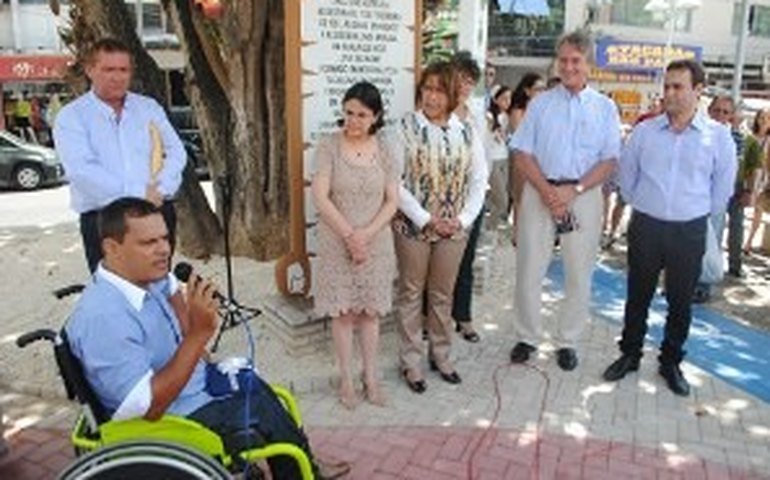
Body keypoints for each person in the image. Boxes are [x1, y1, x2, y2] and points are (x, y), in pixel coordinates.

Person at [65, 197, 349, 479]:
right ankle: (299, 469)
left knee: (257, 387)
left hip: (192, 387)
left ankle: (298, 465)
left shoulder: (141, 276)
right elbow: (149, 407)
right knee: (265, 413)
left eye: (165, 238)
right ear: (111, 248)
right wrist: (197, 336)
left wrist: (188, 324)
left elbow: (172, 285)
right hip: (169, 421)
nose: (164, 249)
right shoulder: (104, 318)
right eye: (149, 243)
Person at [602, 60, 737, 397]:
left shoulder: (718, 137)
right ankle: (630, 354)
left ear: (698, 90)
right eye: (667, 86)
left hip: (689, 231)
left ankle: (671, 361)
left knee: (680, 302)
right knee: (638, 296)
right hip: (646, 225)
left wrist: (693, 212)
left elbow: (722, 191)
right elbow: (627, 178)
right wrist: (647, 205)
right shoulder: (645, 132)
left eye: (678, 86)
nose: (670, 93)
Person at [507, 31, 621, 371]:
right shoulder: (541, 104)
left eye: (576, 60)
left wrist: (574, 191)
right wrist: (547, 192)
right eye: (564, 60)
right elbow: (522, 153)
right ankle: (527, 336)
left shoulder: (605, 108)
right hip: (539, 190)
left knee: (579, 271)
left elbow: (609, 160)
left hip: (583, 196)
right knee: (530, 266)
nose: (569, 67)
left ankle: (568, 340)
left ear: (589, 65)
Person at [393, 61, 487, 394]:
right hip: (414, 227)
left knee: (442, 295)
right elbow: (396, 182)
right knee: (410, 292)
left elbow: (479, 181)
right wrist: (425, 218)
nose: (431, 96)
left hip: (454, 229)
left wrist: (461, 220)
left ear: (451, 95)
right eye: (427, 89)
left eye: (438, 90)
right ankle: (411, 362)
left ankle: (442, 355)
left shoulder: (466, 131)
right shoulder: (404, 127)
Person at [53, 38, 186, 274]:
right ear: (90, 70)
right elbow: (82, 171)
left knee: (157, 283)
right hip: (104, 218)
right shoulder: (72, 117)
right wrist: (138, 193)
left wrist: (161, 190)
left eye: (123, 69)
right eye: (108, 69)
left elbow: (176, 152)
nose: (117, 76)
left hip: (154, 213)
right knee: (112, 292)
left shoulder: (148, 108)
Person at [311, 81, 399, 410]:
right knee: (344, 313)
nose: (353, 120)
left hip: (376, 243)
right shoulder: (328, 146)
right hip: (337, 241)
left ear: (376, 116)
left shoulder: (386, 149)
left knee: (371, 314)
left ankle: (371, 377)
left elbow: (392, 201)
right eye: (348, 112)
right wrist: (350, 235)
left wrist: (365, 235)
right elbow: (320, 197)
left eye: (362, 114)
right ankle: (347, 379)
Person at [692, 96, 756, 300]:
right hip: (694, 195)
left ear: (732, 116)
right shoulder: (696, 133)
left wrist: (745, 191)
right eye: (717, 110)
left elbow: (735, 169)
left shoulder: (737, 138)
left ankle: (704, 287)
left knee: (713, 241)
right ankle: (682, 283)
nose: (720, 115)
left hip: (721, 196)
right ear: (709, 111)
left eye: (725, 112)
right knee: (687, 242)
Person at [449, 51, 485, 344]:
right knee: (433, 265)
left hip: (471, 200)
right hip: (439, 199)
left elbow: (481, 163)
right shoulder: (434, 111)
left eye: (470, 81)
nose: (464, 85)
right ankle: (428, 318)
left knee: (465, 261)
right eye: (460, 78)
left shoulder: (475, 117)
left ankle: (463, 317)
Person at [507, 72, 546, 244]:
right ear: (527, 90)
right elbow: (519, 134)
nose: (542, 92)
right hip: (522, 159)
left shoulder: (544, 109)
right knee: (520, 198)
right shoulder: (518, 110)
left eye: (543, 89)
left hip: (540, 160)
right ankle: (517, 233)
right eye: (538, 89)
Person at [742, 109, 770, 254]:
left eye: (767, 118)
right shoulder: (750, 137)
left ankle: (748, 242)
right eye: (761, 118)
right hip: (747, 177)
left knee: (757, 212)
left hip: (762, 180)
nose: (764, 121)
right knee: (741, 209)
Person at [485, 85, 513, 229]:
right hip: (493, 160)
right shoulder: (489, 116)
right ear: (495, 100)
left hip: (505, 158)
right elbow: (493, 138)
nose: (507, 101)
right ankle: (489, 227)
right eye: (504, 98)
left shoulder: (507, 117)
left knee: (502, 198)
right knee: (502, 199)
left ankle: (491, 229)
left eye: (509, 98)